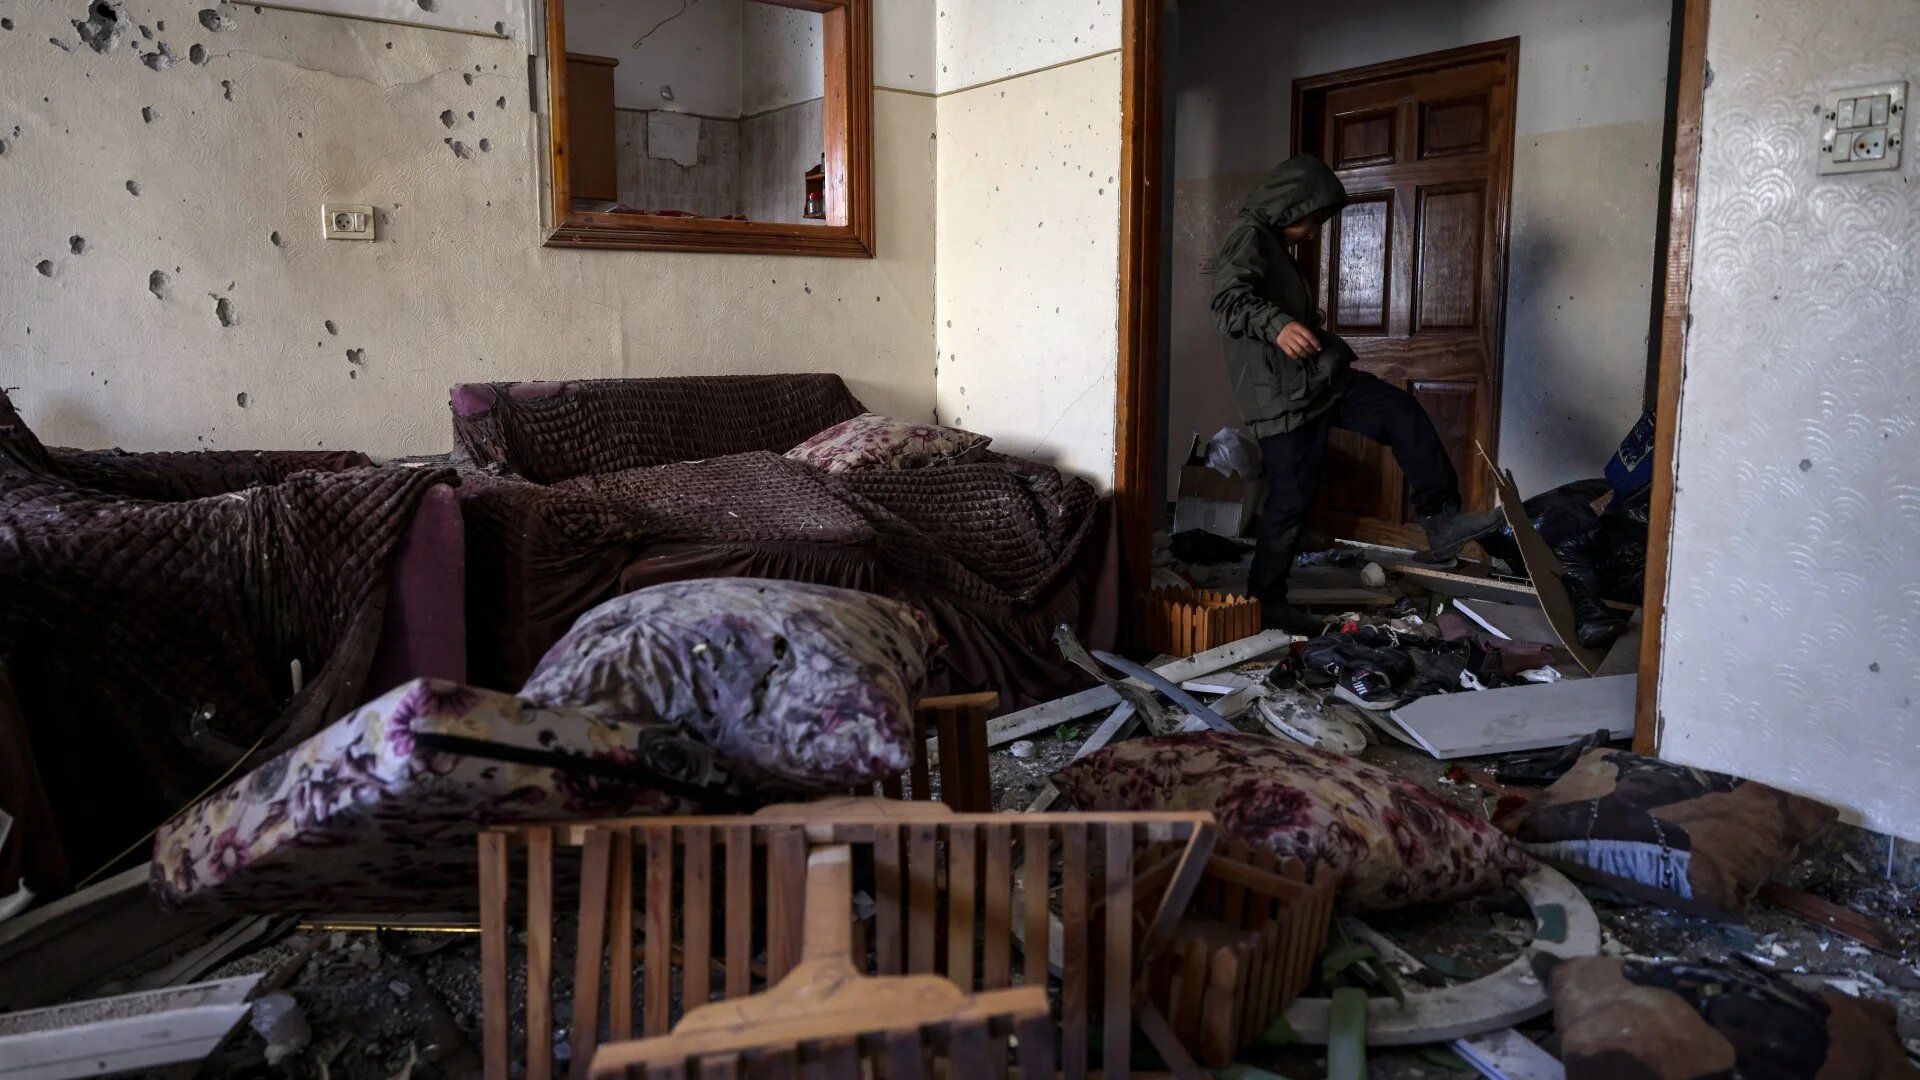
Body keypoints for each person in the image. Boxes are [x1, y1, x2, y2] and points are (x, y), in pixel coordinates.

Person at [1209, 154, 1502, 631]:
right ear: (1289, 206)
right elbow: (1226, 299)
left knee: (1399, 411)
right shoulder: (1249, 236)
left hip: (1319, 380)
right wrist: (1278, 324)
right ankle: (1266, 601)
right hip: (1282, 399)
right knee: (1290, 499)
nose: (1313, 230)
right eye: (1312, 219)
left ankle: (1442, 523)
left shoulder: (1278, 247)